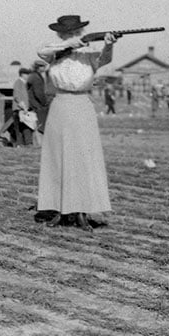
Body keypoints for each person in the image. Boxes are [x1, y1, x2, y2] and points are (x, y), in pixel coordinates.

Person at [34, 15, 117, 232]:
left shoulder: (88, 55)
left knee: (83, 158)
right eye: (68, 33)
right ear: (61, 34)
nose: (72, 35)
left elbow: (104, 61)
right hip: (60, 105)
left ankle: (81, 210)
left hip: (82, 105)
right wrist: (72, 44)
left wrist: (108, 43)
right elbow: (41, 52)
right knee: (58, 158)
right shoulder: (54, 52)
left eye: (75, 32)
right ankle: (61, 209)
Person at [26, 59, 51, 138]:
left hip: (32, 101)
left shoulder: (33, 75)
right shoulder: (36, 78)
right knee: (44, 117)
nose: (44, 68)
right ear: (38, 67)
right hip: (35, 104)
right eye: (42, 67)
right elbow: (39, 93)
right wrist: (45, 102)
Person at [11, 67, 34, 146]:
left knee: (26, 126)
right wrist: (23, 107)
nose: (28, 75)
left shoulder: (26, 83)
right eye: (26, 74)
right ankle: (19, 144)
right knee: (19, 128)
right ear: (22, 74)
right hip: (19, 109)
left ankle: (27, 143)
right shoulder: (18, 82)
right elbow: (17, 96)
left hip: (25, 109)